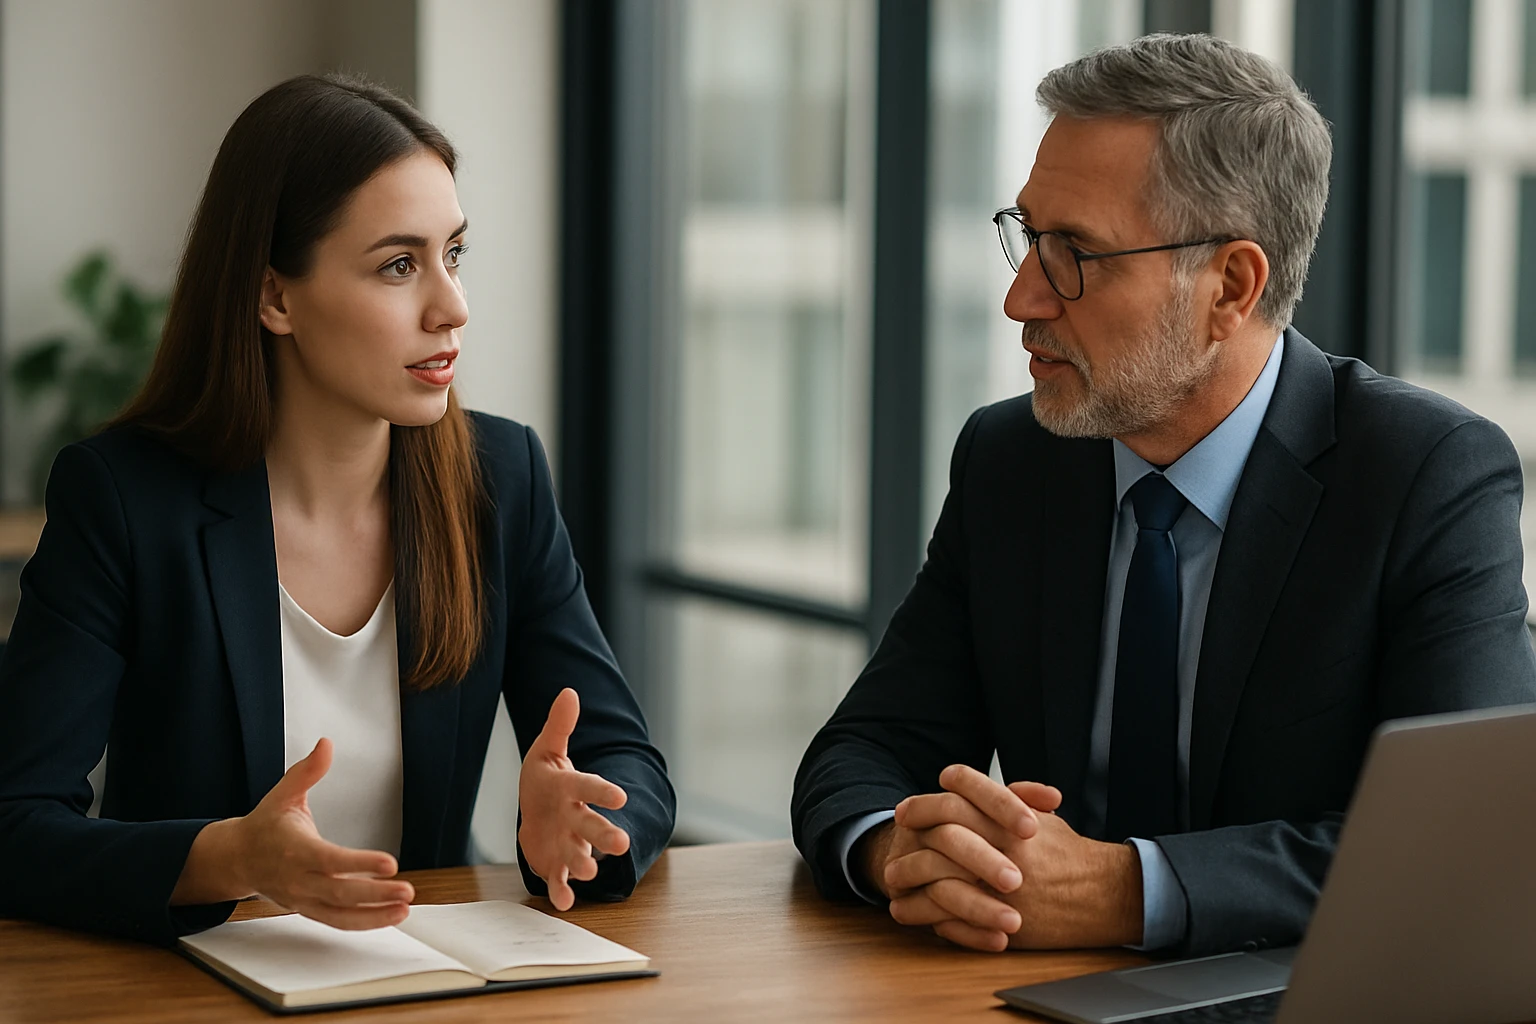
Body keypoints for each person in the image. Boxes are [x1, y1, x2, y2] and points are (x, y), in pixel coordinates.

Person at [792, 33, 1536, 958]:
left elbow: (1457, 851)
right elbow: (864, 748)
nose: (1022, 297)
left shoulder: (1425, 476)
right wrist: (897, 851)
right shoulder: (1012, 457)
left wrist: (1121, 892)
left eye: (1074, 253)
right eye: (1027, 236)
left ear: (1230, 285)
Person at [0, 74, 674, 946]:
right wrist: (233, 858)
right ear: (275, 296)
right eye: (399, 265)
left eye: (454, 254)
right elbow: (14, 823)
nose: (452, 307)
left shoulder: (499, 478)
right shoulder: (124, 499)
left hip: (426, 980)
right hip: (188, 986)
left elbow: (631, 764)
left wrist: (585, 826)